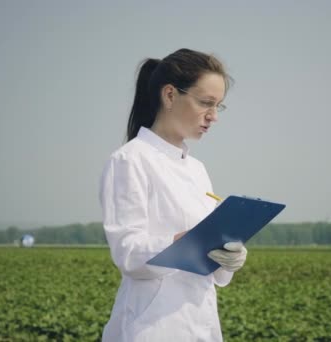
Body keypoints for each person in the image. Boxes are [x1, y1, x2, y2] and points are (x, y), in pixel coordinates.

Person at [98, 48, 248, 341]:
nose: (213, 116)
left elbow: (208, 257)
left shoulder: (197, 169)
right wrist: (178, 244)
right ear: (169, 95)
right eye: (206, 103)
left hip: (200, 324)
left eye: (219, 106)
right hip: (151, 326)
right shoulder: (130, 160)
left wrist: (228, 255)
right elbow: (127, 252)